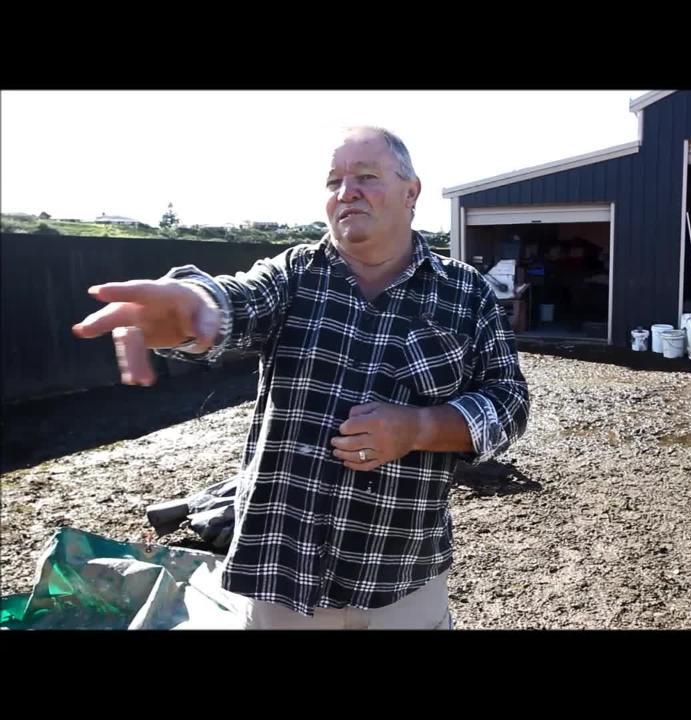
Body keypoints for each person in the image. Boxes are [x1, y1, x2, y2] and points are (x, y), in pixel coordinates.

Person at [72, 126, 530, 629]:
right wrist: (193, 307)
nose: (346, 191)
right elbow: (238, 299)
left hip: (404, 582)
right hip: (283, 583)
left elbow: (508, 401)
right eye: (334, 181)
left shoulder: (465, 293)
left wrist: (418, 428)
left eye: (366, 176)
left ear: (411, 192)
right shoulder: (294, 274)